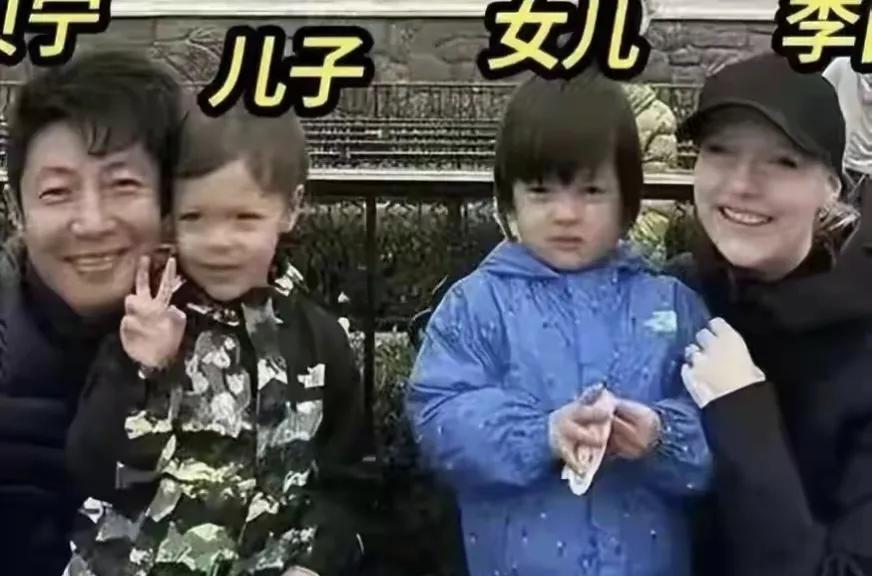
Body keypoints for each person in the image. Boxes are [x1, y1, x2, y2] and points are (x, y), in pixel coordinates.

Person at [406, 71, 713, 576]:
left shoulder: (673, 307)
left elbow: (721, 435)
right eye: (541, 191)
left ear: (628, 201)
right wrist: (540, 434)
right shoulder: (477, 304)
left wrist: (660, 436)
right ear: (509, 200)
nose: (566, 214)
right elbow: (439, 417)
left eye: (591, 191)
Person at [64, 103, 368, 576]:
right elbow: (93, 471)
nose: (218, 241)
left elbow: (348, 483)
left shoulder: (320, 340)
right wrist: (138, 370)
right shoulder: (142, 317)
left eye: (244, 217)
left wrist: (316, 563)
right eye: (194, 218)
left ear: (290, 208)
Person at [670, 52, 872, 576]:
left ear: (830, 185)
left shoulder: (859, 346)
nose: (741, 184)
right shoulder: (668, 298)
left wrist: (741, 411)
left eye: (782, 161)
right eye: (720, 151)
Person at [0, 50, 182, 576]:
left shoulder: (242, 332)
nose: (92, 222)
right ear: (16, 210)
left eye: (122, 185)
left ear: (167, 201)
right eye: (58, 192)